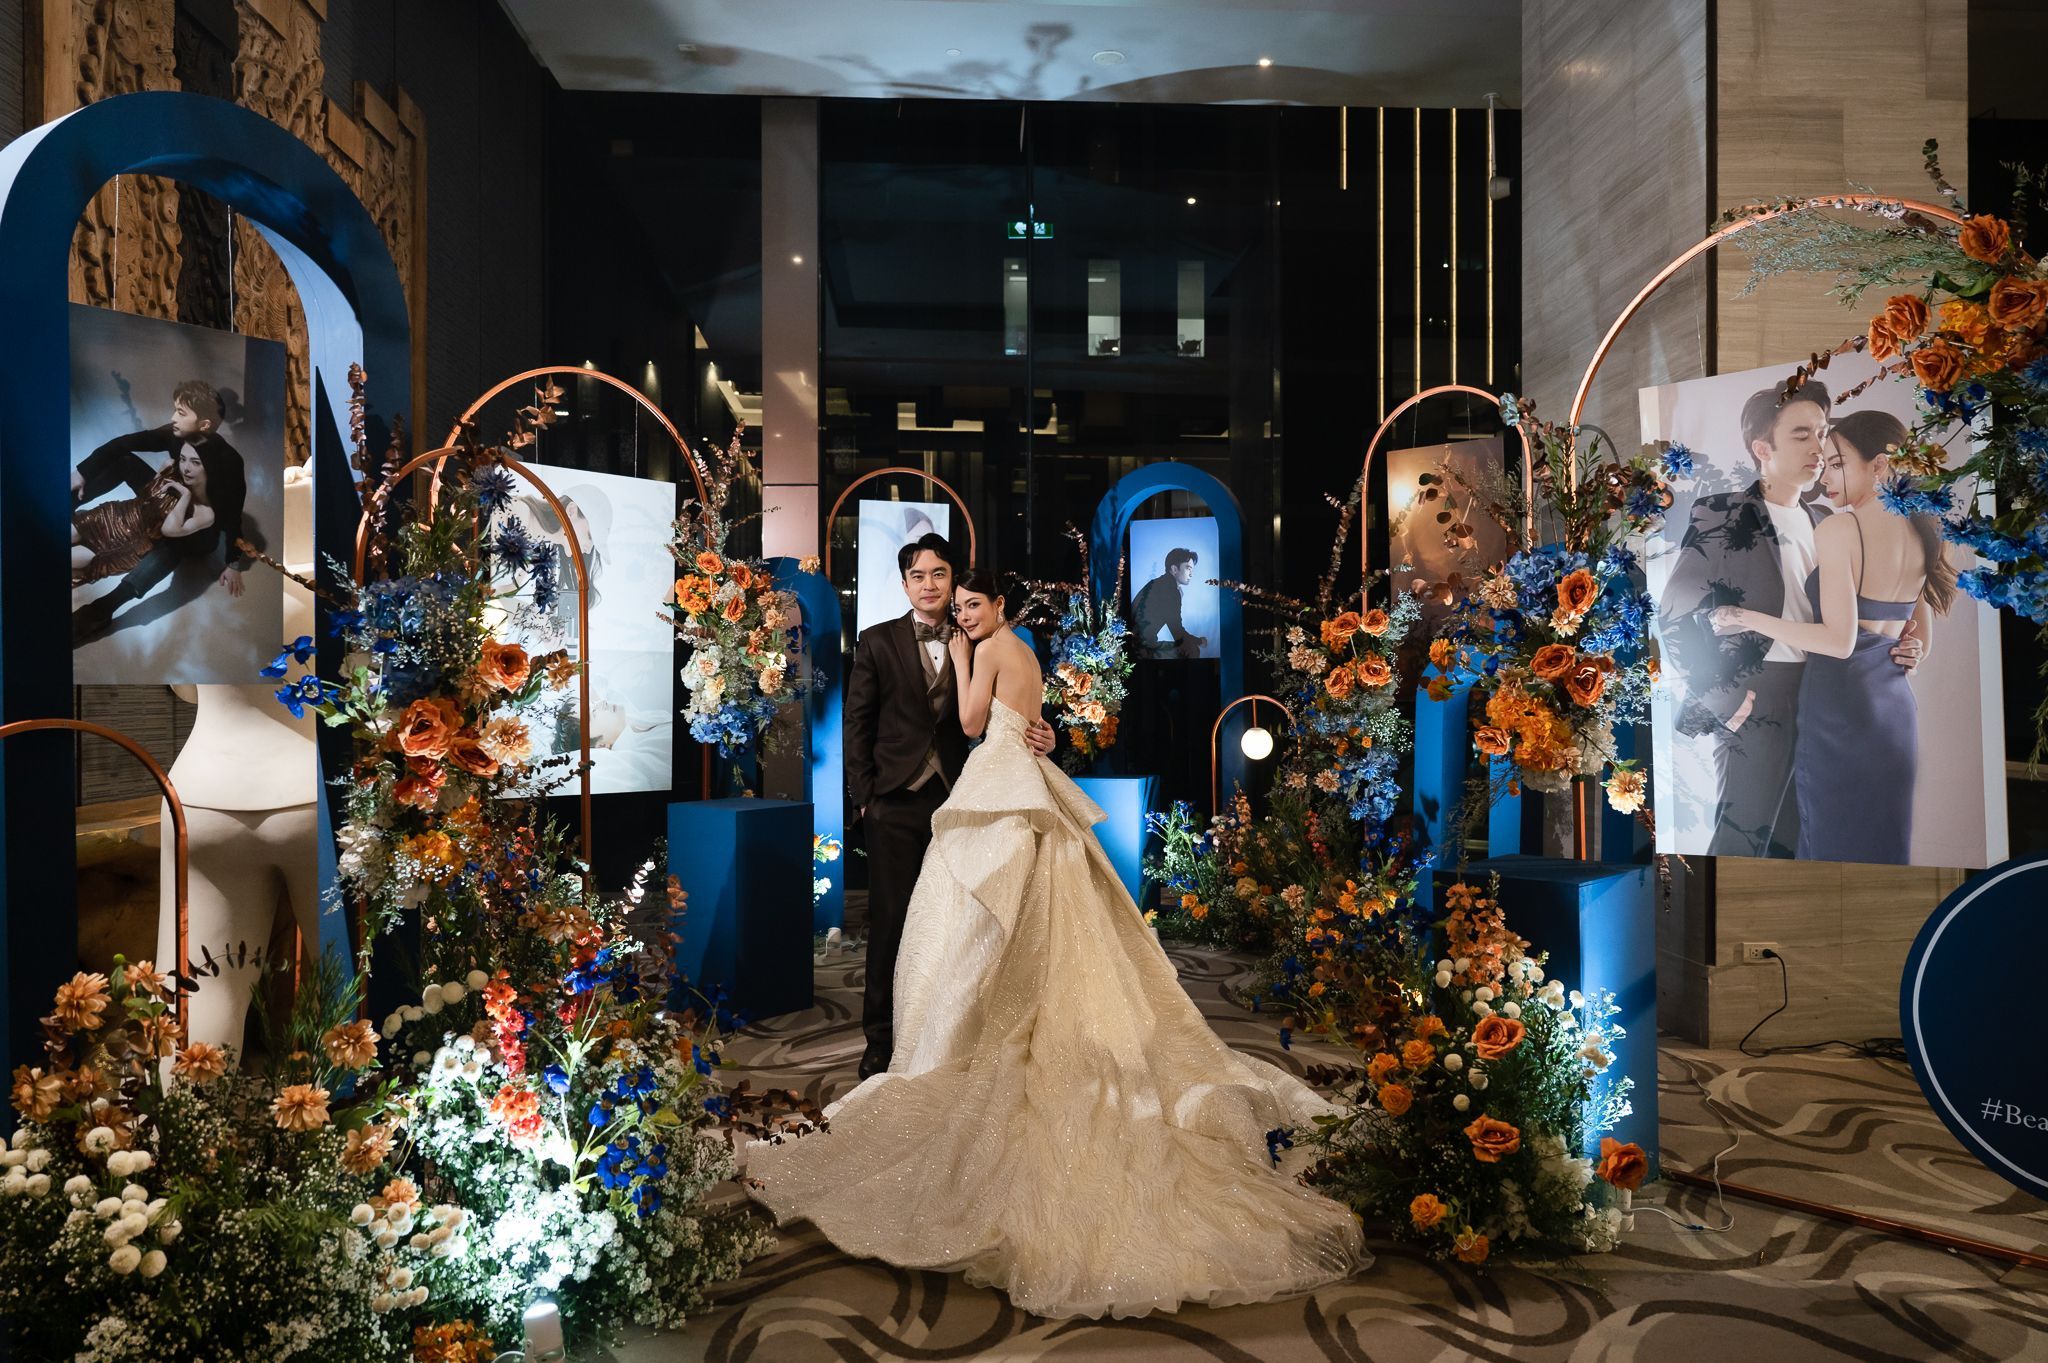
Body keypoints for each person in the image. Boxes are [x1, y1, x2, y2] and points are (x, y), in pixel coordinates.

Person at [748, 568, 1368, 1318]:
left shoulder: (987, 647)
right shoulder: (1020, 648)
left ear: (997, 605)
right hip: (1007, 781)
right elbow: (1010, 717)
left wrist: (967, 659)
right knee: (1014, 917)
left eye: (972, 603)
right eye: (958, 604)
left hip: (1001, 784)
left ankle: (978, 1034)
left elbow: (971, 723)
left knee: (987, 922)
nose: (963, 613)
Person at [1656, 381, 1919, 857]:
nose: (1819, 448)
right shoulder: (1722, 513)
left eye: (1822, 432)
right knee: (1742, 840)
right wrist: (1719, 696)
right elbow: (1674, 612)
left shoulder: (1826, 519)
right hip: (1759, 692)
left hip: (1827, 695)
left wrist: (1903, 644)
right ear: (1763, 449)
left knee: (1802, 844)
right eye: (1802, 435)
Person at [841, 533, 1054, 1081]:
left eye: (939, 574)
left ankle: (938, 1038)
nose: (930, 585)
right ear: (905, 584)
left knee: (954, 927)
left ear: (954, 580)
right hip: (894, 803)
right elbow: (856, 723)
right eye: (919, 575)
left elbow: (1012, 704)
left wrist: (1044, 734)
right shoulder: (877, 641)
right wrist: (865, 800)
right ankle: (880, 1041)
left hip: (962, 802)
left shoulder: (980, 636)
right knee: (891, 922)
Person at [1710, 410, 1954, 864]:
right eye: (1825, 464)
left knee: (1829, 847)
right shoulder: (1924, 529)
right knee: (1882, 848)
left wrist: (1747, 617)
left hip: (1841, 709)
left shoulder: (1842, 527)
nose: (1824, 479)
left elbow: (1839, 642)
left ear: (1880, 465)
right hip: (1894, 713)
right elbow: (1919, 639)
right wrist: (1910, 650)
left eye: (1837, 464)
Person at [71, 380, 250, 644]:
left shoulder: (229, 461)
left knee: (173, 546)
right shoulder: (176, 434)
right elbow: (124, 444)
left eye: (181, 413)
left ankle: (103, 609)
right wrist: (82, 472)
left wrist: (233, 563)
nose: (173, 418)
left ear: (204, 425)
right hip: (166, 497)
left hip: (197, 530)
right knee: (125, 462)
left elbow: (233, 514)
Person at [1131, 546, 1208, 659]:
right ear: (1174, 569)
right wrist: (1199, 641)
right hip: (1140, 650)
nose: (1191, 574)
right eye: (1188, 568)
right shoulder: (1170, 590)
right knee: (1191, 649)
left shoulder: (1156, 583)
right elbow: (1177, 633)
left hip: (1132, 644)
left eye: (1192, 569)